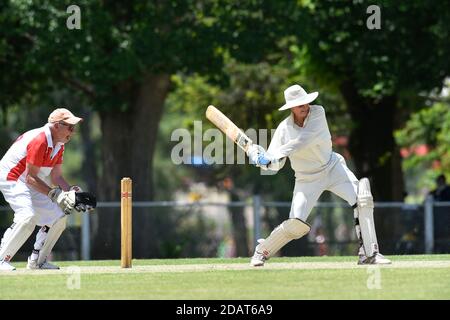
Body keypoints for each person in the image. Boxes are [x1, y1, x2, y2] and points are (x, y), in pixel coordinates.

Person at [246, 84, 391, 266]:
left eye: (306, 103)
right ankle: (262, 251)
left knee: (362, 199)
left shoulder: (318, 113)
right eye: (300, 105)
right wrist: (262, 160)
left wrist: (270, 156)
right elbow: (276, 165)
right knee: (295, 224)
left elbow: (303, 141)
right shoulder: (283, 129)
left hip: (332, 167)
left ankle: (369, 254)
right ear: (291, 107)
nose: (305, 107)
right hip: (306, 179)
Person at [0, 108, 90, 271]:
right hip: (12, 177)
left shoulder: (59, 144)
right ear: (57, 125)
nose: (73, 131)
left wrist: (72, 192)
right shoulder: (40, 139)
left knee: (59, 216)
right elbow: (30, 178)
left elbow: (56, 177)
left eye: (74, 127)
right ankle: (1, 259)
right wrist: (55, 194)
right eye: (70, 127)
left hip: (30, 180)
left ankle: (37, 262)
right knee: (27, 216)